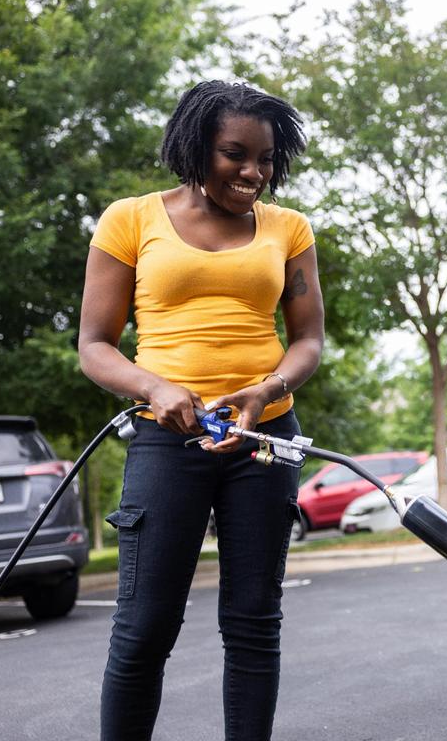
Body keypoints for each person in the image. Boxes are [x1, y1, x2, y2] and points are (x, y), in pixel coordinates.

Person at [78, 81, 324, 741]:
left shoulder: (288, 229)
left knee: (252, 622)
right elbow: (94, 346)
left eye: (267, 158)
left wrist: (266, 393)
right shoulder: (130, 220)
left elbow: (308, 339)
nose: (254, 172)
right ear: (193, 148)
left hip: (264, 439)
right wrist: (156, 388)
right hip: (167, 439)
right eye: (234, 154)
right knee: (144, 626)